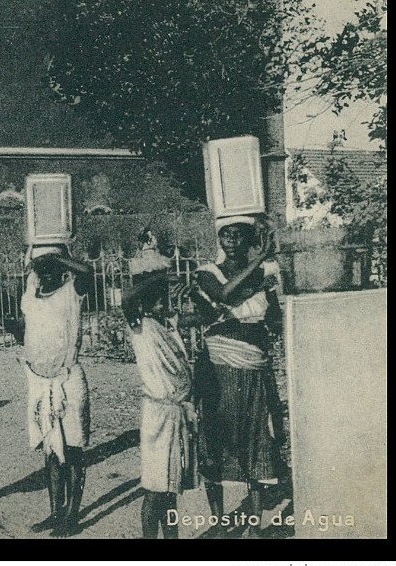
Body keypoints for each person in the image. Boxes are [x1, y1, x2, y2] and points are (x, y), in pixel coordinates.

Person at [194, 215, 284, 538]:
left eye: (237, 235)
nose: (230, 240)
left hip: (255, 368)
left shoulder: (265, 275)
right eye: (225, 235)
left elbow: (273, 319)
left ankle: (256, 524)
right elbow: (224, 296)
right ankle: (219, 522)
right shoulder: (208, 273)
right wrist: (260, 263)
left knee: (258, 440)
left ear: (247, 238)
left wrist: (270, 304)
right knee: (215, 442)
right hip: (219, 368)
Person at [122, 244, 196, 539]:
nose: (164, 303)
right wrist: (159, 277)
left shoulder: (169, 324)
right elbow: (127, 298)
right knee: (154, 489)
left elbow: (200, 315)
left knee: (171, 488)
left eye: (165, 298)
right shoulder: (140, 326)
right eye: (158, 299)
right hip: (157, 415)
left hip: (177, 412)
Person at [18, 249, 92, 537]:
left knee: (72, 449)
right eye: (41, 269)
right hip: (39, 381)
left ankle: (72, 515)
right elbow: (31, 330)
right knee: (50, 450)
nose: (46, 274)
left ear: (61, 270)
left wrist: (55, 256)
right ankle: (55, 511)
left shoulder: (72, 291)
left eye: (52, 269)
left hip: (68, 378)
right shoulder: (30, 295)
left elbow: (86, 271)